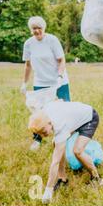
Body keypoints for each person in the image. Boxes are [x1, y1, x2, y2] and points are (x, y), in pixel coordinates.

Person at [28, 100, 103, 204]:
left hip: (89, 118)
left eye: (44, 132)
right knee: (56, 144)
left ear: (49, 123)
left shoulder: (59, 125)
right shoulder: (44, 113)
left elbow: (55, 162)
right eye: (40, 134)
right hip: (74, 119)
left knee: (77, 151)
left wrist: (48, 189)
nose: (44, 136)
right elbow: (58, 101)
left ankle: (97, 178)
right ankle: (63, 179)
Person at [21, 16, 71, 151]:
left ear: (44, 28)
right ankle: (37, 139)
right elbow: (27, 65)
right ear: (30, 30)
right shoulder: (29, 44)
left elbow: (61, 60)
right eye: (34, 29)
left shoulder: (52, 40)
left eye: (39, 28)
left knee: (64, 108)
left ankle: (66, 138)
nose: (37, 31)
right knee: (40, 112)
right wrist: (24, 83)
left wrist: (60, 76)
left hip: (58, 82)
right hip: (40, 82)